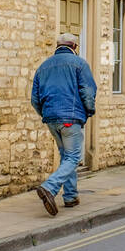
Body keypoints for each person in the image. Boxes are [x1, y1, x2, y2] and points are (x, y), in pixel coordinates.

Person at [30, 33, 96, 215]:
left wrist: (46, 114)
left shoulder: (43, 67)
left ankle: (71, 197)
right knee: (73, 157)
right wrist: (89, 110)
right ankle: (49, 188)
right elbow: (88, 91)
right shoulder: (80, 64)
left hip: (51, 118)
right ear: (74, 46)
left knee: (66, 156)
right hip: (71, 119)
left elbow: (34, 98)